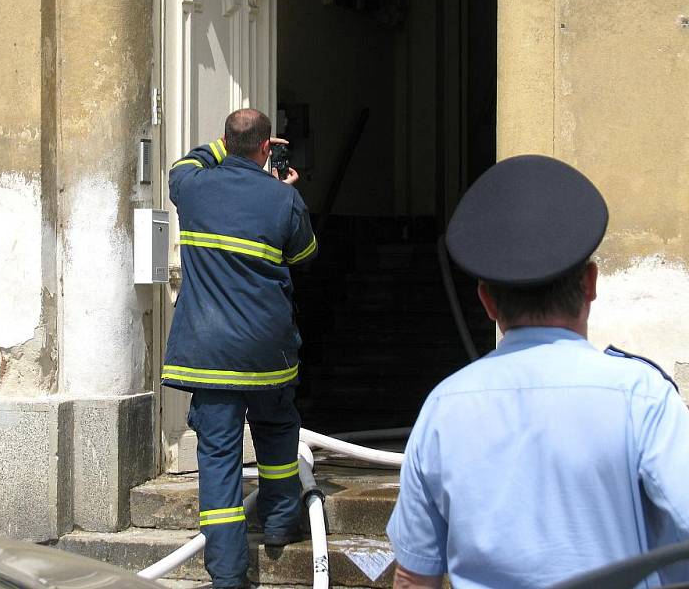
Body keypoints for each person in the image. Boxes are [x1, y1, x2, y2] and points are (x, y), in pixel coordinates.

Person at [387, 155, 689, 589]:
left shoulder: (443, 407)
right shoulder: (642, 396)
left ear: (487, 302)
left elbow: (415, 577)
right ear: (590, 283)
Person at [161, 108, 317, 589]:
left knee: (219, 461)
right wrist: (284, 191)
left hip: (210, 356)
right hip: (268, 351)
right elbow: (306, 255)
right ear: (268, 148)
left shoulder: (192, 187)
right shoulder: (283, 198)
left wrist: (224, 146)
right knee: (276, 435)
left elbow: (185, 163)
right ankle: (280, 523)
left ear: (226, 143)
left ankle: (228, 577)